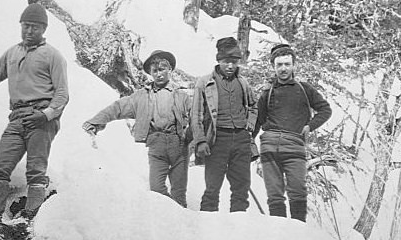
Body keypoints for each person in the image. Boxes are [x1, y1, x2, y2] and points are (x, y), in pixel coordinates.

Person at [0, 0, 70, 221]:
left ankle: (32, 217)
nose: (29, 30)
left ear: (44, 29)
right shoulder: (12, 53)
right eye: (25, 25)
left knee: (36, 170)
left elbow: (62, 94)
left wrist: (45, 115)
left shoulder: (53, 55)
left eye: (35, 26)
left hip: (41, 117)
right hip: (17, 117)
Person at [82, 50, 192, 206]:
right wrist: (96, 121)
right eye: (154, 71)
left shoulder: (182, 96)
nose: (159, 74)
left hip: (179, 146)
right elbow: (118, 108)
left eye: (162, 69)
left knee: (179, 191)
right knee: (156, 190)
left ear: (170, 70)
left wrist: (192, 137)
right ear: (150, 74)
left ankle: (181, 223)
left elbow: (197, 118)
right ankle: (170, 214)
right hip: (156, 145)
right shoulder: (141, 97)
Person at [253, 44, 332, 221]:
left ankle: (298, 232)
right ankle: (279, 233)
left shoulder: (305, 89)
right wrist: (247, 142)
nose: (283, 69)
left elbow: (325, 110)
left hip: (295, 147)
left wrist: (309, 126)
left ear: (294, 65)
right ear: (273, 67)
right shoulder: (268, 92)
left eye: (287, 64)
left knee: (297, 192)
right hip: (270, 147)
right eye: (279, 65)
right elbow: (257, 120)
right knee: (274, 195)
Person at [191, 37, 258, 212]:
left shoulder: (243, 83)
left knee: (241, 188)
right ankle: (208, 227)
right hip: (217, 140)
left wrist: (249, 127)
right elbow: (196, 115)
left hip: (241, 140)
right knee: (212, 188)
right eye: (226, 61)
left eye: (234, 62)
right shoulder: (204, 83)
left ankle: (238, 227)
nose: (230, 66)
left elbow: (253, 106)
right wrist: (200, 141)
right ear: (218, 60)